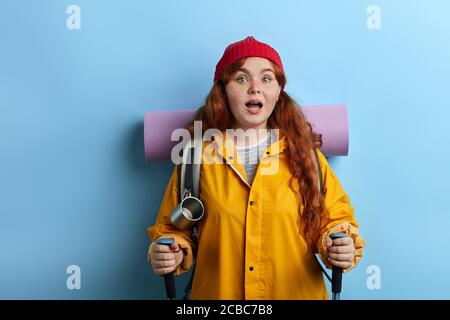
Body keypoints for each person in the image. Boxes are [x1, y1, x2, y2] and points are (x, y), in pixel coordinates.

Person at [147, 36, 365, 300]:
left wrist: (339, 243)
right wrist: (172, 251)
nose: (254, 88)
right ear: (223, 91)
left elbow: (334, 221)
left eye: (266, 78)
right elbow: (174, 229)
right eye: (241, 78)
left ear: (278, 92)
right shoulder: (196, 160)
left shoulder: (306, 157)